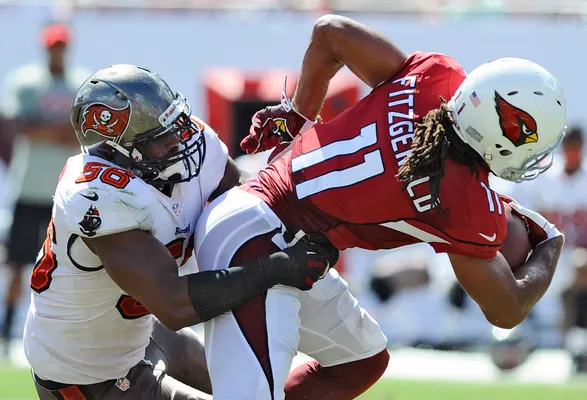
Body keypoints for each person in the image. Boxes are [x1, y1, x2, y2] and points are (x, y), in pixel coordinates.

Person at [194, 14, 567, 399]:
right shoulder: (467, 206)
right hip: (256, 242)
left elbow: (330, 32)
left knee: (360, 362)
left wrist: (299, 116)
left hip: (265, 225)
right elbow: (506, 310)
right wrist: (550, 244)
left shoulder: (436, 77)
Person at [23, 64, 336, 400]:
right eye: (159, 138)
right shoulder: (97, 195)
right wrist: (277, 268)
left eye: (177, 125)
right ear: (118, 150)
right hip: (88, 373)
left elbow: (247, 203)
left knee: (253, 384)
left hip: (142, 334)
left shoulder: (190, 143)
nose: (179, 140)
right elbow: (173, 305)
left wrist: (308, 210)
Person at [0, 22, 91, 350]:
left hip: (66, 189)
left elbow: (79, 131)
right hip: (29, 185)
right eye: (53, 46)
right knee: (18, 262)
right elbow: (18, 126)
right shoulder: (26, 82)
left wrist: (45, 129)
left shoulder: (81, 82)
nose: (57, 52)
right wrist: (56, 130)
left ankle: (64, 330)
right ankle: (7, 332)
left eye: (61, 46)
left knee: (69, 262)